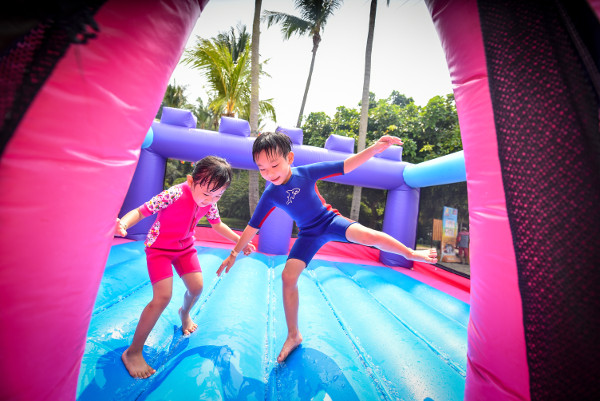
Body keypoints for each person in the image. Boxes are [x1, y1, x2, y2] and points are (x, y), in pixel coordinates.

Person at [217, 132, 437, 363]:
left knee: (368, 235)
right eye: (262, 169)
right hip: (308, 234)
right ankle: (293, 335)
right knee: (288, 277)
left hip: (329, 221)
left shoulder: (305, 173)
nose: (270, 174)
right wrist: (233, 254)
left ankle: (410, 253)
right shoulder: (271, 194)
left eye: (274, 165)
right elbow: (252, 227)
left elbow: (345, 165)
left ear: (289, 158)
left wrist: (374, 148)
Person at [115, 156, 255, 379]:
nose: (210, 199)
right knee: (162, 297)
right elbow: (142, 211)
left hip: (185, 247)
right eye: (207, 193)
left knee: (197, 287)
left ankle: (185, 314)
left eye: (218, 195)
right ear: (191, 181)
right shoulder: (175, 194)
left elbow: (217, 224)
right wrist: (124, 222)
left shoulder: (210, 201)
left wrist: (240, 242)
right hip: (159, 248)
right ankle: (133, 352)